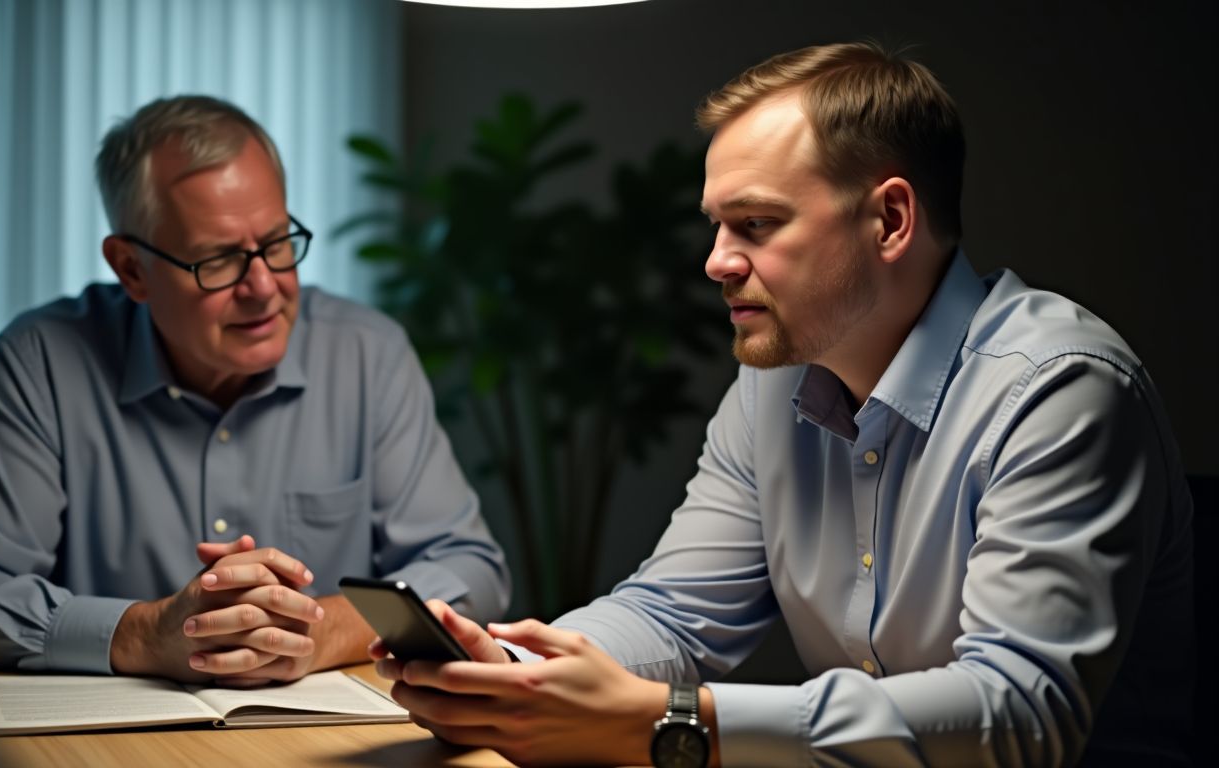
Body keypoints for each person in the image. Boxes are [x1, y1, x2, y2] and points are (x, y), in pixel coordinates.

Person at [370, 42, 1194, 767]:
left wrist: (673, 721)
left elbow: (1019, 716)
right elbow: (675, 614)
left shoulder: (1062, 389)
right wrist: (514, 674)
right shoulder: (774, 382)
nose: (716, 263)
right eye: (717, 226)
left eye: (756, 224)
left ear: (892, 219)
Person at [0, 95, 510, 685]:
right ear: (131, 269)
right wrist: (144, 634)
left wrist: (320, 633)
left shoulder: (367, 353)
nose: (264, 287)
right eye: (217, 261)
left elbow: (470, 568)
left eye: (276, 244)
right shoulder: (41, 359)